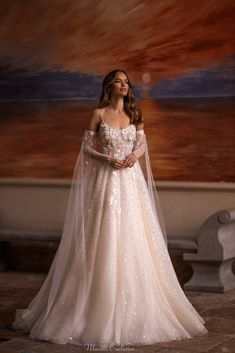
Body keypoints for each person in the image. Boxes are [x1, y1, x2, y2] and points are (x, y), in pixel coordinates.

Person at [12, 68, 208, 348]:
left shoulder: (135, 114)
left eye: (127, 82)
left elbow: (142, 143)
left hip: (130, 184)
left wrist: (132, 156)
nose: (124, 85)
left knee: (135, 236)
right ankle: (91, 306)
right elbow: (85, 148)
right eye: (119, 81)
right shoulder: (98, 114)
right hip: (105, 182)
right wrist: (106, 158)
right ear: (109, 86)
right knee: (101, 236)